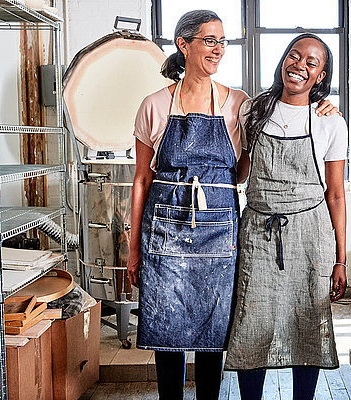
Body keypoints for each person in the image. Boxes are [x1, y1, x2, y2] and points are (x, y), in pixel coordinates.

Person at [127, 11, 339, 399]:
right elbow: (141, 178)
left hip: (219, 228)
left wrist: (324, 107)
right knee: (165, 328)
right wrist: (133, 247)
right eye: (209, 40)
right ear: (184, 45)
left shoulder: (238, 103)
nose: (218, 49)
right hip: (164, 228)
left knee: (216, 329)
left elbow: (243, 169)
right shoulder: (154, 105)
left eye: (222, 41)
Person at [225, 33, 348, 400]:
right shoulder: (253, 110)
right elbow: (241, 172)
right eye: (295, 56)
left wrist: (341, 259)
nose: (300, 66)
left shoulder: (329, 122)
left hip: (311, 235)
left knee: (307, 324)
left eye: (312, 63)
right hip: (259, 231)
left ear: (321, 76)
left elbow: (336, 194)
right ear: (283, 59)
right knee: (253, 322)